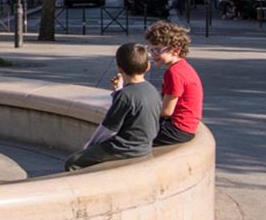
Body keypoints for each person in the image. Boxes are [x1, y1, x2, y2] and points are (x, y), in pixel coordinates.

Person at [64, 43, 161, 171]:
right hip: (144, 146)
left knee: (72, 163)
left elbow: (108, 129)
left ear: (119, 68)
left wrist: (88, 147)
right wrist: (118, 90)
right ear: (148, 66)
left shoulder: (125, 95)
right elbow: (133, 106)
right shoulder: (151, 90)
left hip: (123, 148)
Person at [144, 21, 204, 146]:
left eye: (158, 50)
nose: (153, 55)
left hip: (177, 129)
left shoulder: (174, 73)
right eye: (151, 50)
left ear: (176, 51)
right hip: (186, 126)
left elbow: (166, 111)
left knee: (132, 136)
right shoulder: (183, 67)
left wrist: (143, 113)